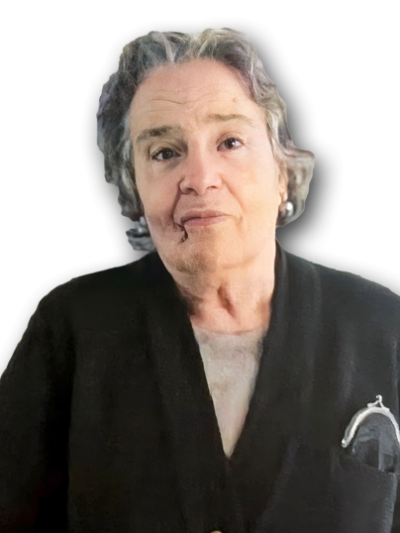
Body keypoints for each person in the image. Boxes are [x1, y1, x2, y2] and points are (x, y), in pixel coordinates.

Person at [1, 26, 400, 533]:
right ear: (134, 186)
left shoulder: (385, 327)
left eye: (230, 141)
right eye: (165, 152)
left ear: (282, 171)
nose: (200, 177)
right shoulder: (72, 329)